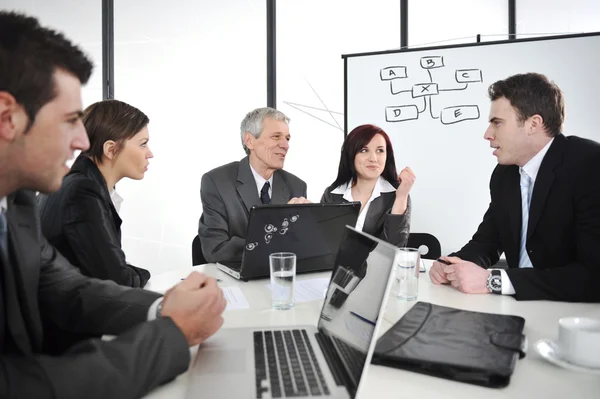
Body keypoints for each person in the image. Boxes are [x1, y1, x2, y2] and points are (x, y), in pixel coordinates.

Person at [0, 11, 226, 398]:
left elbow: (68, 288)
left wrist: (164, 308)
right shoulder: (75, 190)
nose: (81, 141)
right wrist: (170, 334)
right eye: (70, 120)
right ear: (8, 118)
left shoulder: (16, 202)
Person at [429, 72, 600, 302]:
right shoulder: (504, 174)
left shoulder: (589, 164)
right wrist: (451, 264)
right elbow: (487, 242)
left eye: (497, 123)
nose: (487, 134)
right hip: (517, 308)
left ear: (533, 124)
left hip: (573, 317)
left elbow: (593, 276)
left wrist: (495, 281)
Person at [38, 99, 153, 288]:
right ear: (110, 149)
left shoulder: (72, 182)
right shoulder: (83, 192)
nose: (150, 153)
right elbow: (117, 279)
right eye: (143, 144)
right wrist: (144, 272)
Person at [198, 107, 309, 264]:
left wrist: (312, 223)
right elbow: (216, 250)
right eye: (276, 137)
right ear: (249, 141)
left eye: (287, 138)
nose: (285, 145)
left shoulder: (297, 186)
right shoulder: (216, 182)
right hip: (237, 281)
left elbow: (302, 249)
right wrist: (278, 241)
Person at [321, 124, 415, 247]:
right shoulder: (332, 194)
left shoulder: (397, 195)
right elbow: (325, 244)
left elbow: (395, 249)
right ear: (351, 155)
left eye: (380, 150)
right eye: (364, 150)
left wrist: (401, 197)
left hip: (378, 267)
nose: (373, 158)